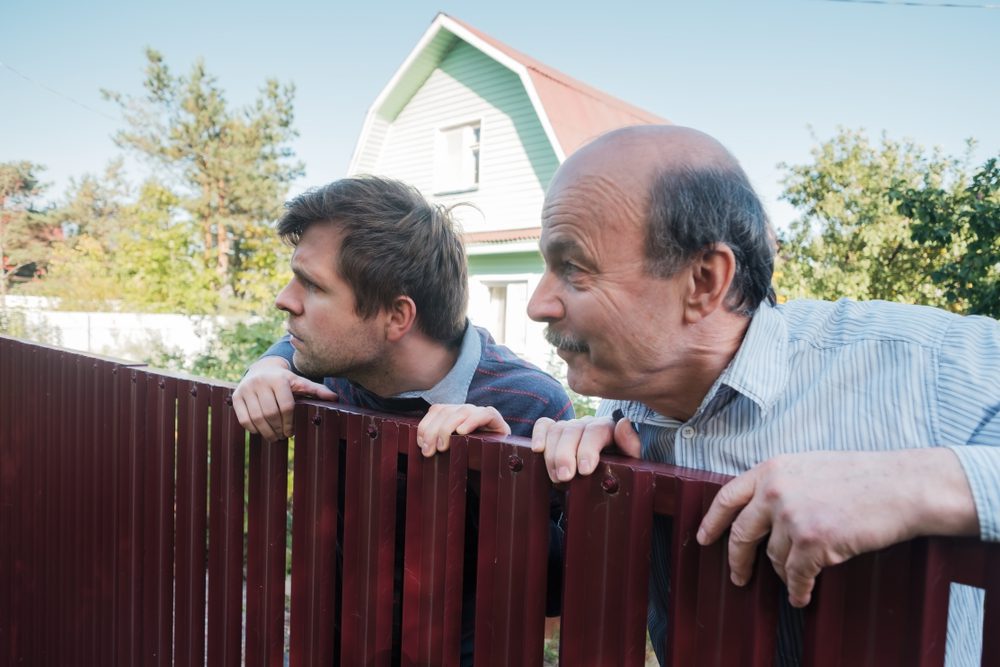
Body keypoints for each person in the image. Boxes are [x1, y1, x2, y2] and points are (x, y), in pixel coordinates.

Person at [525, 125, 999, 665]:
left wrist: (914, 482)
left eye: (573, 269)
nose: (538, 304)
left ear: (704, 281)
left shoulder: (921, 364)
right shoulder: (628, 405)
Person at [232, 175, 573, 664]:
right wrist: (268, 364)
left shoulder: (527, 403)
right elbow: (295, 346)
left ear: (397, 317)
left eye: (312, 285)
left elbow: (557, 594)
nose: (285, 300)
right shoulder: (339, 364)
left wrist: (497, 476)